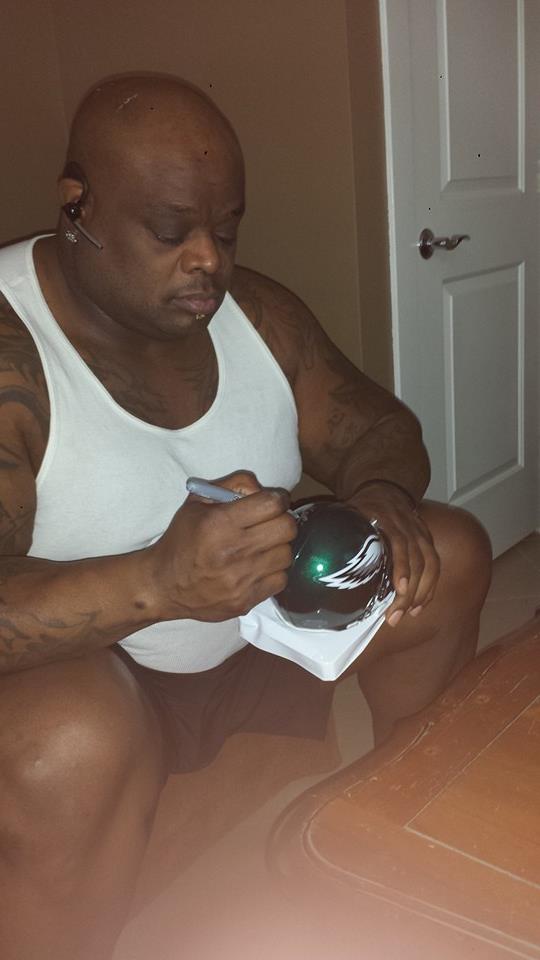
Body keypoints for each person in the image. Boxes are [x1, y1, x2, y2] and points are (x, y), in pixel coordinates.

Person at [0, 73, 492, 960]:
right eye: (170, 232)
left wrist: (382, 497)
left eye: (225, 232)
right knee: (69, 737)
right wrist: (158, 582)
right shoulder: (11, 353)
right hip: (105, 678)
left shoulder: (254, 312)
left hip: (268, 629)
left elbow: (378, 427)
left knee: (444, 553)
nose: (208, 263)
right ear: (77, 204)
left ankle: (399, 834)